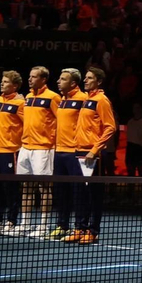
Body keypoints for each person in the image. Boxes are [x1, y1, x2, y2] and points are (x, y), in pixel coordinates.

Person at [74, 67, 118, 244]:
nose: (85, 80)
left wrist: (95, 149)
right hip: (80, 152)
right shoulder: (86, 100)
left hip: (94, 154)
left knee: (94, 194)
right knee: (81, 193)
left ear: (98, 82)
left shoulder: (102, 100)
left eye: (89, 78)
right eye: (85, 77)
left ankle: (93, 231)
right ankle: (80, 228)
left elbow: (110, 127)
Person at [17, 66, 57, 237]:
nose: (30, 79)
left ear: (43, 80)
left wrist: (53, 143)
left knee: (44, 187)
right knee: (26, 187)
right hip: (25, 147)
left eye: (34, 77)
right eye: (29, 76)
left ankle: (43, 226)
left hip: (44, 148)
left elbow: (60, 120)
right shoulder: (28, 97)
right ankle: (25, 224)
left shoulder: (53, 97)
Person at [0, 70, 26, 234]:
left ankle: (11, 220)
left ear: (15, 86)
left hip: (10, 152)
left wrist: (19, 146)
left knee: (11, 188)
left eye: (6, 81)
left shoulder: (20, 103)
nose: (2, 84)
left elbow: (27, 125)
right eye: (2, 81)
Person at [50, 68, 87, 241]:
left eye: (63, 79)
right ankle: (62, 225)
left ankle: (79, 227)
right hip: (59, 151)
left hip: (75, 152)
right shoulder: (62, 100)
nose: (58, 81)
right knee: (60, 191)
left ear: (73, 83)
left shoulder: (83, 99)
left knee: (78, 191)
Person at [125, 102, 142, 177]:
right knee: (130, 171)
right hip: (130, 148)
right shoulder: (130, 122)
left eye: (138, 108)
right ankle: (131, 188)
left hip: (140, 149)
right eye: (134, 108)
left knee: (141, 171)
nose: (136, 110)